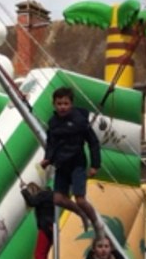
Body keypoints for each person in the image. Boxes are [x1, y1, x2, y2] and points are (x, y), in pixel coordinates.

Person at [40, 86, 101, 231]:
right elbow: (51, 143)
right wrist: (47, 158)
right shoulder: (53, 123)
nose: (62, 107)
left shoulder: (79, 121)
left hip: (76, 163)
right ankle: (81, 214)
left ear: (71, 105)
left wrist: (95, 165)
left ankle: (96, 222)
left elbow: (93, 142)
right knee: (58, 199)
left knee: (80, 199)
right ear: (54, 105)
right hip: (61, 165)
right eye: (59, 104)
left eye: (66, 104)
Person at [21, 181, 56, 259]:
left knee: (39, 253)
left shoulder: (42, 196)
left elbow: (31, 202)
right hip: (51, 227)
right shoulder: (49, 196)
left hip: (46, 227)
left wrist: (23, 190)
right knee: (43, 253)